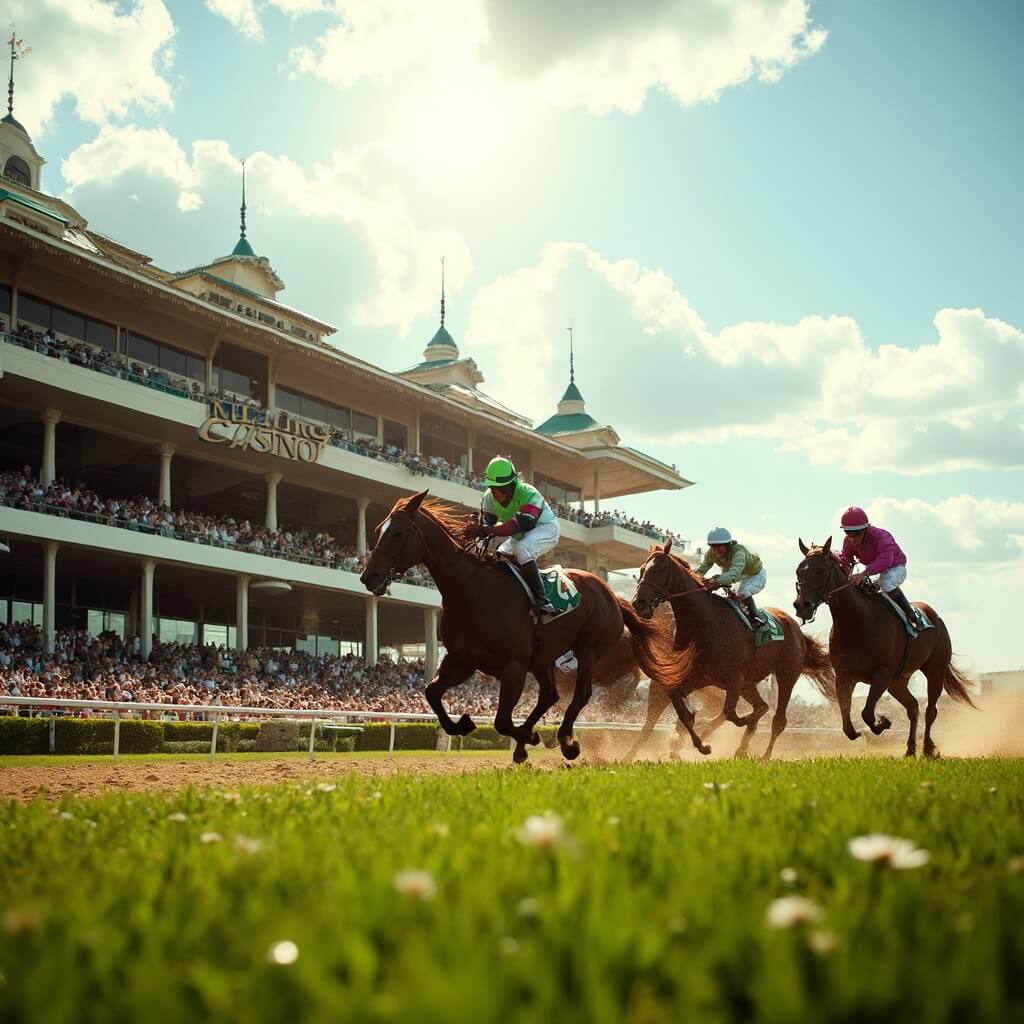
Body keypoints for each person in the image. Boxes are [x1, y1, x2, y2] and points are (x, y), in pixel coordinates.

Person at [463, 456, 560, 615]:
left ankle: (543, 600)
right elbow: (488, 524)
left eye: (498, 488)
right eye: (492, 488)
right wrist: (474, 526)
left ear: (510, 485)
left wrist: (484, 529)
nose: (494, 493)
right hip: (521, 534)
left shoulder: (528, 494)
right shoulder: (489, 497)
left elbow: (513, 527)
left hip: (546, 529)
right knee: (499, 554)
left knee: (522, 549)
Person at [836, 506, 917, 621]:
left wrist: (863, 573)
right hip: (873, 571)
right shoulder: (848, 541)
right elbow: (845, 560)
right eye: (848, 532)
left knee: (886, 583)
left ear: (865, 529)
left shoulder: (882, 536)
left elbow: (885, 561)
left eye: (856, 533)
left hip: (895, 567)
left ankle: (909, 613)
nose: (852, 538)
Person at [692, 527, 765, 627]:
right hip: (735, 577)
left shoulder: (739, 553)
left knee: (742, 592)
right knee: (724, 594)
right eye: (713, 547)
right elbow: (703, 567)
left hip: (755, 575)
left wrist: (715, 580)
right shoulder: (711, 553)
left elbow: (734, 574)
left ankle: (754, 618)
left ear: (728, 545)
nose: (716, 550)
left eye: (719, 546)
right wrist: (692, 577)